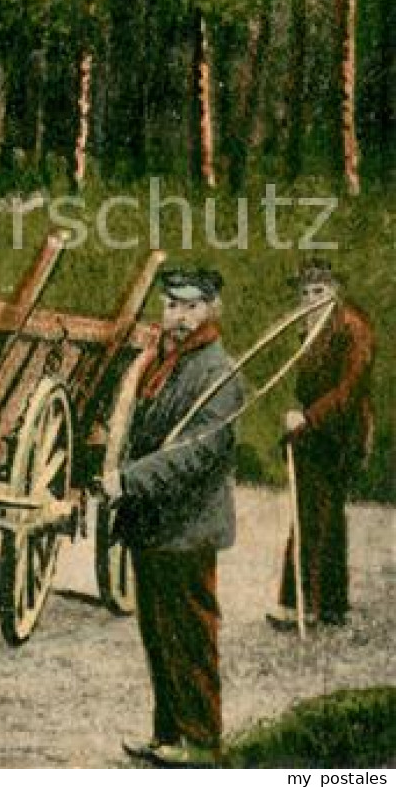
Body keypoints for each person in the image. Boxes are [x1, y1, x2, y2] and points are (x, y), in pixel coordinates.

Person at [100, 267, 245, 769]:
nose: (179, 317)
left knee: (190, 634)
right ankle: (168, 733)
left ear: (211, 310)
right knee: (158, 635)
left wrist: (128, 480)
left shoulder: (218, 373)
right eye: (172, 306)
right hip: (154, 526)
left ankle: (202, 740)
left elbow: (194, 454)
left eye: (191, 307)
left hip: (188, 528)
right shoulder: (162, 363)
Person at [267, 259, 376, 631]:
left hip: (340, 435)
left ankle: (302, 606)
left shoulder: (353, 328)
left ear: (334, 292)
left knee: (315, 516)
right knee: (321, 516)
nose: (312, 299)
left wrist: (308, 419)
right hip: (318, 432)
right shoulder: (312, 327)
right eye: (306, 293)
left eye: (320, 291)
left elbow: (349, 391)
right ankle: (329, 605)